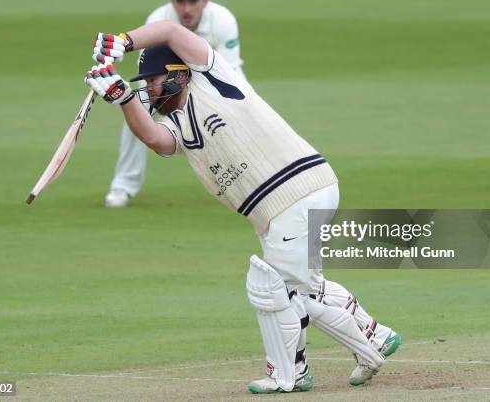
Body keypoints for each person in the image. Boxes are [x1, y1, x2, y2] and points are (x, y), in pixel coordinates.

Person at [85, 22, 401, 393]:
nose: (148, 90)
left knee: (274, 287)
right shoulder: (173, 122)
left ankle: (289, 375)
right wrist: (122, 98)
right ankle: (373, 337)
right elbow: (155, 141)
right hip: (280, 206)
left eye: (151, 80)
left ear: (177, 75)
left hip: (294, 189)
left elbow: (171, 31)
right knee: (303, 286)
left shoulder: (213, 77)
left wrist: (122, 42)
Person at [105, 0, 245, 208]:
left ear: (205, 0)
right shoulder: (157, 20)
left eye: (193, 1)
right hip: (166, 79)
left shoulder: (223, 20)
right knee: (136, 114)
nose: (186, 8)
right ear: (173, 2)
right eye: (181, 1)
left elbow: (228, 74)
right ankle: (123, 185)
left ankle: (242, 182)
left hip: (210, 79)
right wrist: (136, 100)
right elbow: (149, 73)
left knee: (241, 111)